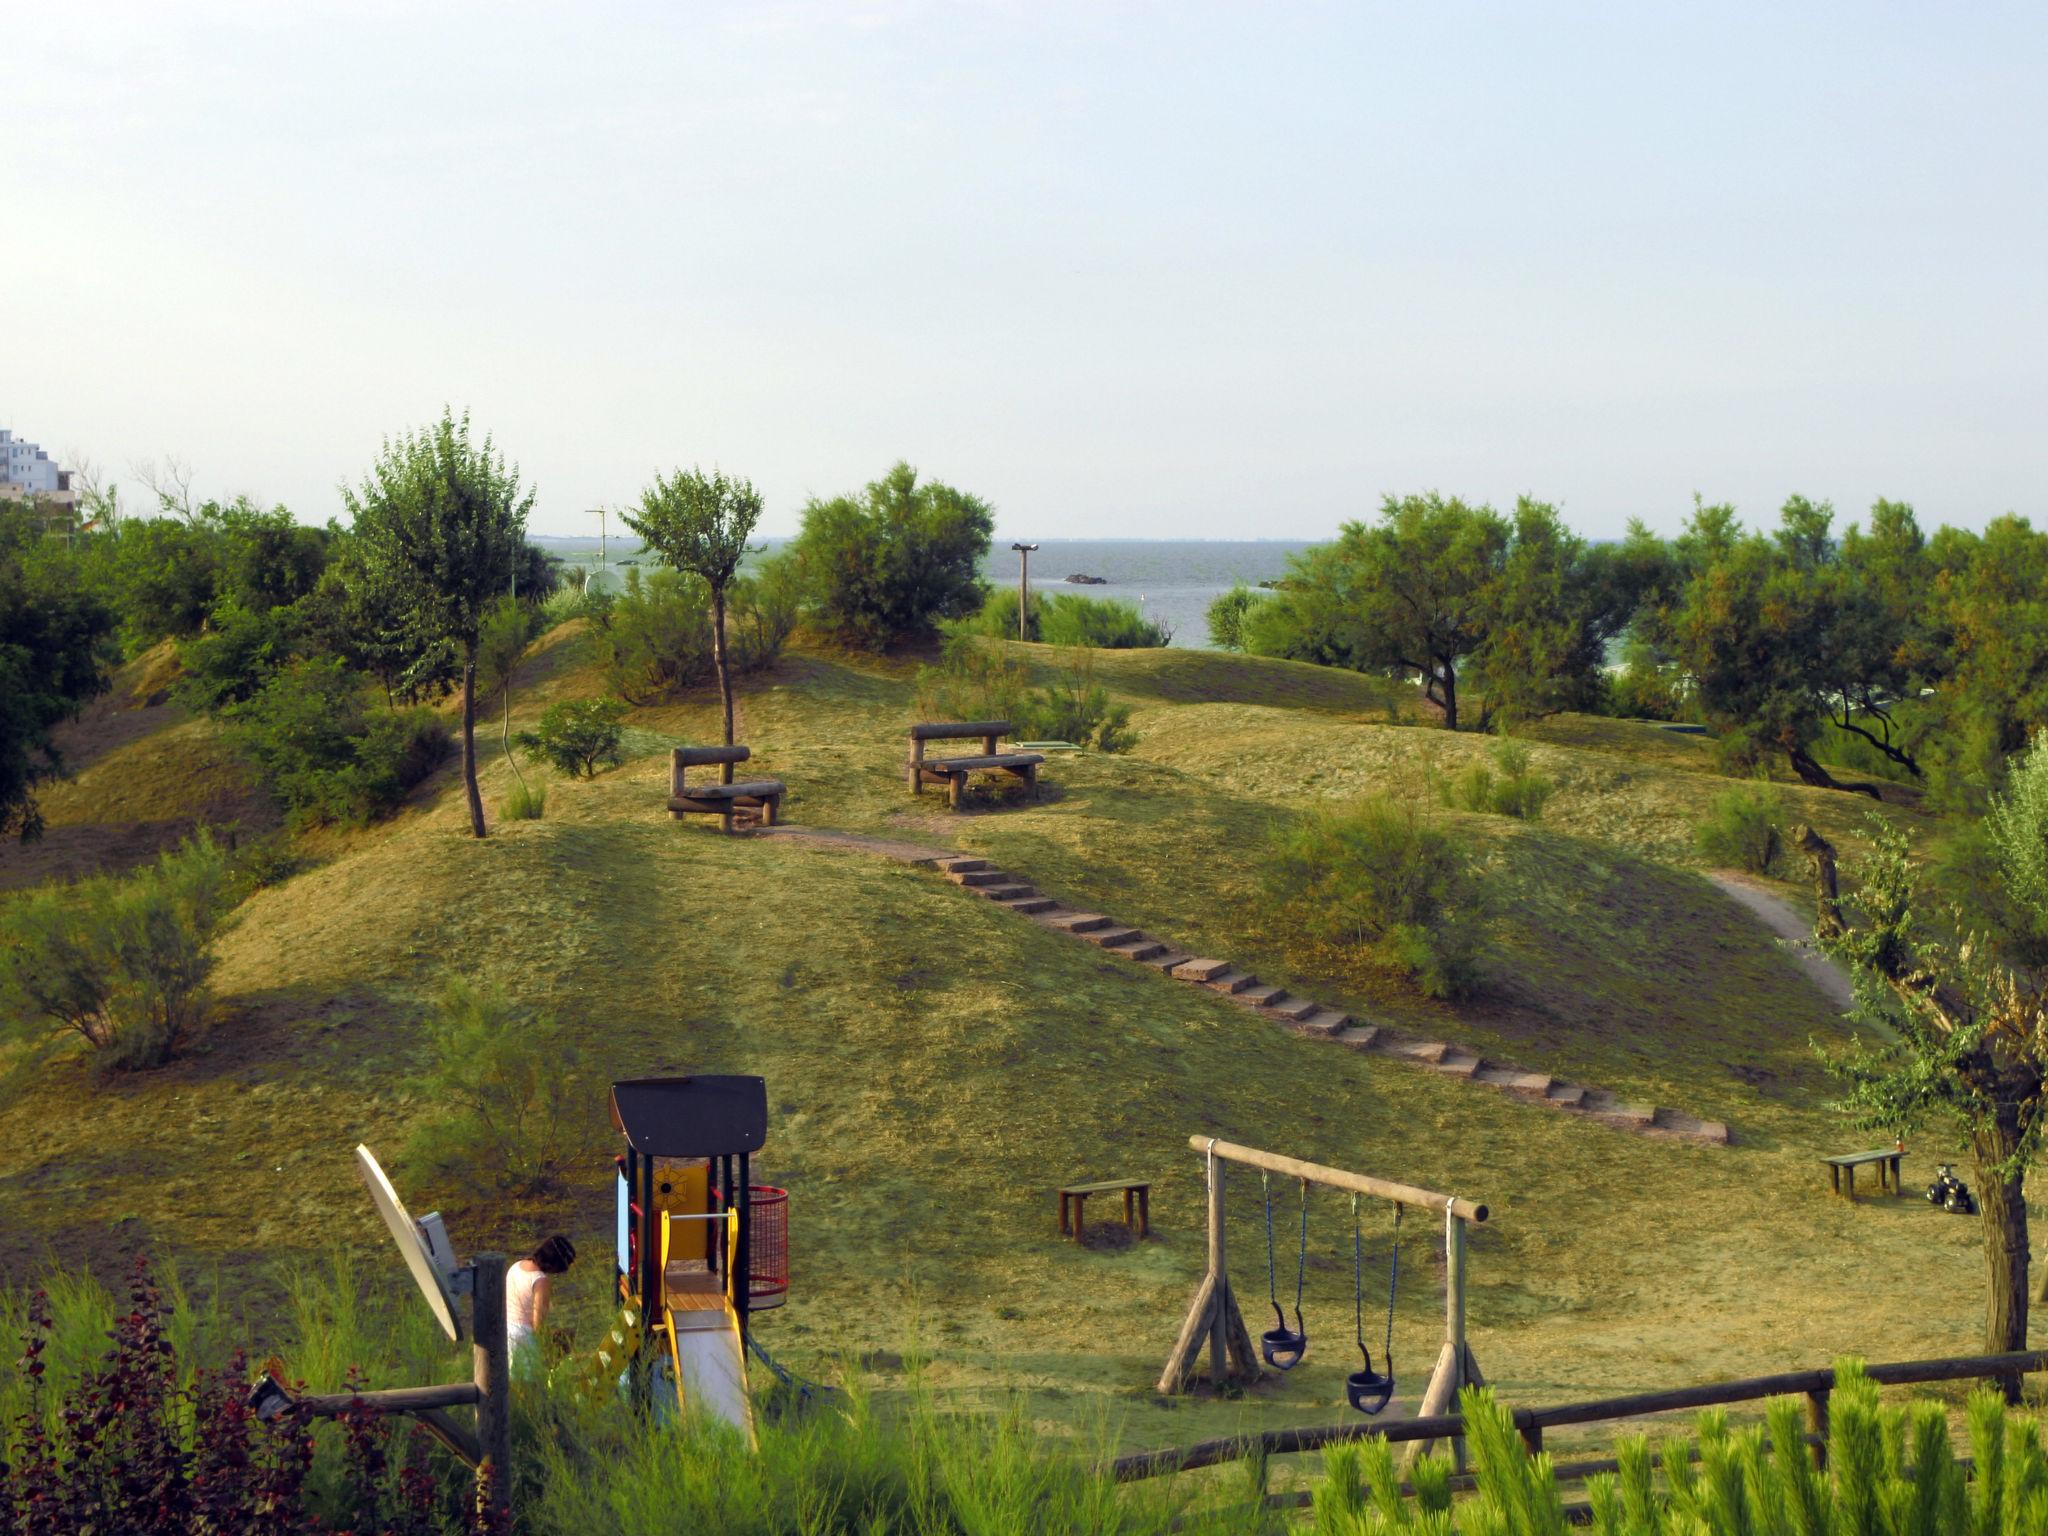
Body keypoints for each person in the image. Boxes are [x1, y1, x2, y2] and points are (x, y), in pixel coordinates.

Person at [506, 1234, 576, 1373]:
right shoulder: (540, 1281)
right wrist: (550, 1351)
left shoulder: (516, 1266)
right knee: (567, 1336)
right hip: (523, 1339)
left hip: (505, 1331)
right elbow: (538, 1324)